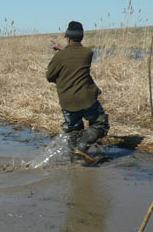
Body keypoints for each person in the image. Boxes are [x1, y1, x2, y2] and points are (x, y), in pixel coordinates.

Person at [46, 21, 109, 164]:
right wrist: (62, 50)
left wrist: (60, 52)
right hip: (87, 100)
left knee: (74, 132)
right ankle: (83, 147)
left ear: (68, 38)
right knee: (100, 124)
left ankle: (75, 162)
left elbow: (49, 76)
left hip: (67, 103)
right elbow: (75, 56)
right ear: (82, 37)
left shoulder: (59, 57)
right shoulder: (88, 53)